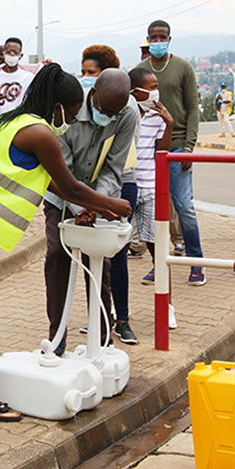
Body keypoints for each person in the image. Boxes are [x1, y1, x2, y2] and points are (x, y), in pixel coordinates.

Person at [0, 63, 131, 421]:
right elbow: (68, 185)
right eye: (68, 112)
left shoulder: (6, 121)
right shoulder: (40, 133)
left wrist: (86, 205)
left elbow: (51, 183)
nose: (70, 119)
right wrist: (111, 203)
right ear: (57, 107)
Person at [68, 45, 140, 346]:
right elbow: (62, 169)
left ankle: (109, 328)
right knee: (59, 256)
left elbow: (114, 167)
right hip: (66, 192)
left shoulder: (128, 111)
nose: (109, 116)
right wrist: (79, 206)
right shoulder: (68, 106)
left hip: (106, 189)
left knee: (108, 258)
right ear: (94, 91)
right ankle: (57, 338)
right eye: (105, 110)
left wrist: (96, 204)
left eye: (114, 113)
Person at [135, 19, 206, 286]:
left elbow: (192, 109)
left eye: (162, 36)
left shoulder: (183, 67)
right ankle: (158, 263)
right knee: (154, 212)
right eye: (153, 37)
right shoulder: (140, 70)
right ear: (147, 39)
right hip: (148, 146)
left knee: (184, 207)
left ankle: (196, 262)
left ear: (169, 38)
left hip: (176, 147)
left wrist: (189, 146)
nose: (157, 41)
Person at [129, 67, 177, 332]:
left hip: (149, 187)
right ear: (136, 92)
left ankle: (167, 306)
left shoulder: (159, 115)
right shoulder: (125, 113)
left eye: (157, 85)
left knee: (156, 249)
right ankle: (115, 307)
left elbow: (163, 151)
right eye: (151, 86)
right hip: (126, 187)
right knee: (116, 248)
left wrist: (169, 124)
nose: (156, 91)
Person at [0, 37, 43, 115]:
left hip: (22, 123)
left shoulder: (29, 78)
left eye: (15, 52)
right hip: (1, 123)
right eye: (9, 51)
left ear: (21, 56)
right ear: (4, 54)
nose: (12, 54)